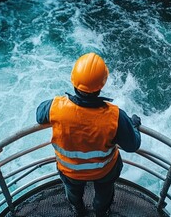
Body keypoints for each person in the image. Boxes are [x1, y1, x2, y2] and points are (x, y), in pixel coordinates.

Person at [36, 52, 141, 217]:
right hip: (104, 171)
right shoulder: (115, 116)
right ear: (102, 85)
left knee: (73, 192)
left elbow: (39, 115)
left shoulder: (56, 108)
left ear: (74, 80)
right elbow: (132, 145)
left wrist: (59, 102)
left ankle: (78, 210)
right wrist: (133, 125)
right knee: (104, 194)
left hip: (69, 170)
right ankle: (101, 212)